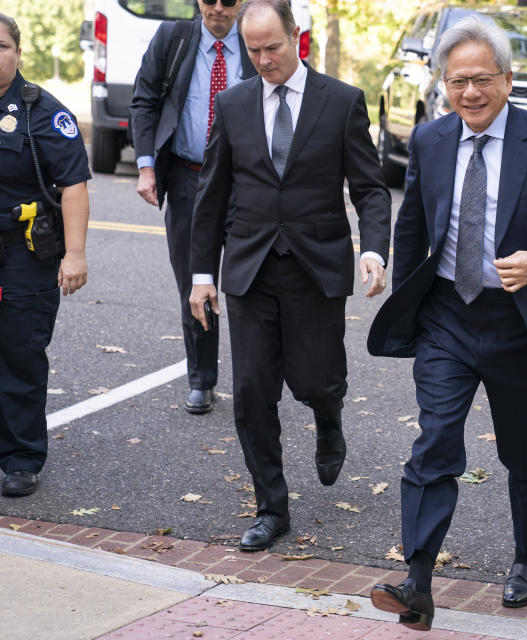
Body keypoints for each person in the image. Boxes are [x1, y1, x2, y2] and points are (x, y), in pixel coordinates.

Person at [366, 16, 527, 632]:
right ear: (443, 85)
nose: (470, 93)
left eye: (482, 80)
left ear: (509, 80)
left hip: (519, 324)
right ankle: (418, 580)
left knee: (523, 449)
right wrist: (408, 305)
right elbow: (413, 228)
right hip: (447, 318)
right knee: (434, 442)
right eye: (457, 82)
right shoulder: (429, 141)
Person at [188, 0, 391, 551]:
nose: (263, 60)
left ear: (295, 36)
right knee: (253, 392)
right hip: (249, 270)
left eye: (272, 47)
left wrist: (374, 249)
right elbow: (212, 196)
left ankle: (328, 417)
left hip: (315, 268)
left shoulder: (341, 101)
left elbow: (370, 188)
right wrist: (202, 274)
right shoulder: (232, 105)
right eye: (252, 50)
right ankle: (271, 508)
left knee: (316, 378)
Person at [129, 0, 256, 415]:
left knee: (248, 285)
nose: (218, 7)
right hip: (188, 178)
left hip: (244, 183)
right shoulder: (173, 39)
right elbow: (144, 99)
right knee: (194, 281)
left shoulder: (257, 43)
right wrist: (147, 166)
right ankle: (201, 379)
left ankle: (255, 380)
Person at [0, 14, 90, 496]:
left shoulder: (44, 111)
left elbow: (74, 185)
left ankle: (21, 457)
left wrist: (74, 254)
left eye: (2, 46)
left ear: (18, 53)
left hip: (23, 253)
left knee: (19, 353)